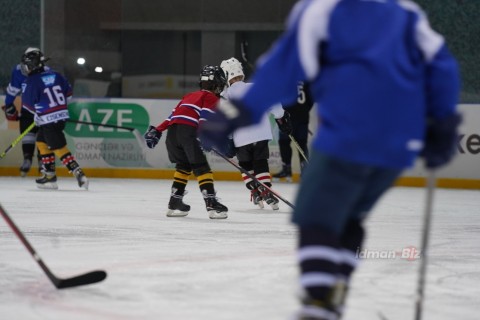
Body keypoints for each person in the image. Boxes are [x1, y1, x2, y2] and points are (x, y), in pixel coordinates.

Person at [198, 1, 461, 319]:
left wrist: (231, 115)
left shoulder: (321, 10)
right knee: (349, 216)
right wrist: (443, 122)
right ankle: (334, 291)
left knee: (315, 216)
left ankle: (320, 304)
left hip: (350, 132)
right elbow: (441, 65)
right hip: (399, 140)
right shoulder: (405, 11)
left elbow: (282, 70)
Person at [143, 65, 228, 220]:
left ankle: (175, 202)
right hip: (188, 133)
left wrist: (157, 130)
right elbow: (204, 117)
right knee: (202, 168)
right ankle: (211, 204)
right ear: (217, 83)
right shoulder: (211, 98)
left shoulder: (189, 95)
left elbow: (172, 117)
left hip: (173, 134)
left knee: (183, 166)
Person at [220, 57, 292, 210]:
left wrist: (228, 139)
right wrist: (281, 117)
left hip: (241, 137)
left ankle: (255, 190)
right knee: (260, 161)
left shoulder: (225, 95)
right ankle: (265, 188)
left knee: (245, 164)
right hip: (261, 133)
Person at [20, 48, 89, 190]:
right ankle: (50, 177)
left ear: (31, 65)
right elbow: (68, 96)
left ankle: (79, 174)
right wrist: (58, 111)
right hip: (60, 117)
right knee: (41, 141)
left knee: (58, 147)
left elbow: (28, 105)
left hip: (47, 119)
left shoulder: (30, 81)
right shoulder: (57, 75)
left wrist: (39, 114)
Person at [1, 47, 46, 176]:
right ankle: (27, 158)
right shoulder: (18, 71)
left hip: (44, 109)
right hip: (28, 107)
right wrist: (9, 104)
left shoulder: (47, 72)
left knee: (44, 134)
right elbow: (13, 89)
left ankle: (43, 161)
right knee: (27, 133)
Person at [272, 81, 314, 181]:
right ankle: (304, 172)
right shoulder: (305, 81)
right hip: (302, 118)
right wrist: (304, 111)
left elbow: (280, 98)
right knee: (301, 144)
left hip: (288, 118)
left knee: (285, 143)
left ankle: (287, 170)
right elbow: (311, 99)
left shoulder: (287, 78)